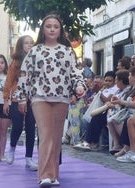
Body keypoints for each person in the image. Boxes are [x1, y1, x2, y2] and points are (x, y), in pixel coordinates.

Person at [16, 14, 86, 187]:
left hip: (61, 97)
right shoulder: (35, 51)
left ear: (60, 29)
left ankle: (53, 175)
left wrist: (79, 86)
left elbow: (76, 72)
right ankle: (44, 175)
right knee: (46, 134)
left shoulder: (68, 51)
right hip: (40, 97)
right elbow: (25, 75)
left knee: (56, 137)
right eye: (48, 26)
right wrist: (21, 98)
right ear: (43, 30)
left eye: (56, 26)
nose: (52, 29)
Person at [3, 35, 37, 170]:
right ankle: (12, 149)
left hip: (32, 98)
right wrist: (6, 100)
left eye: (31, 43)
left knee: (30, 128)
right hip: (17, 98)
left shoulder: (36, 60)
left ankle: (29, 158)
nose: (29, 45)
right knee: (17, 126)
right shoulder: (15, 63)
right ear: (21, 45)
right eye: (26, 43)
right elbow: (8, 82)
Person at [107, 67, 135, 155]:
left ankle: (128, 144)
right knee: (110, 120)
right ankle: (117, 144)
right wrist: (118, 100)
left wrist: (120, 101)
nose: (128, 77)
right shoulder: (132, 87)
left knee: (116, 119)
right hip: (127, 110)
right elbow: (125, 100)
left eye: (130, 75)